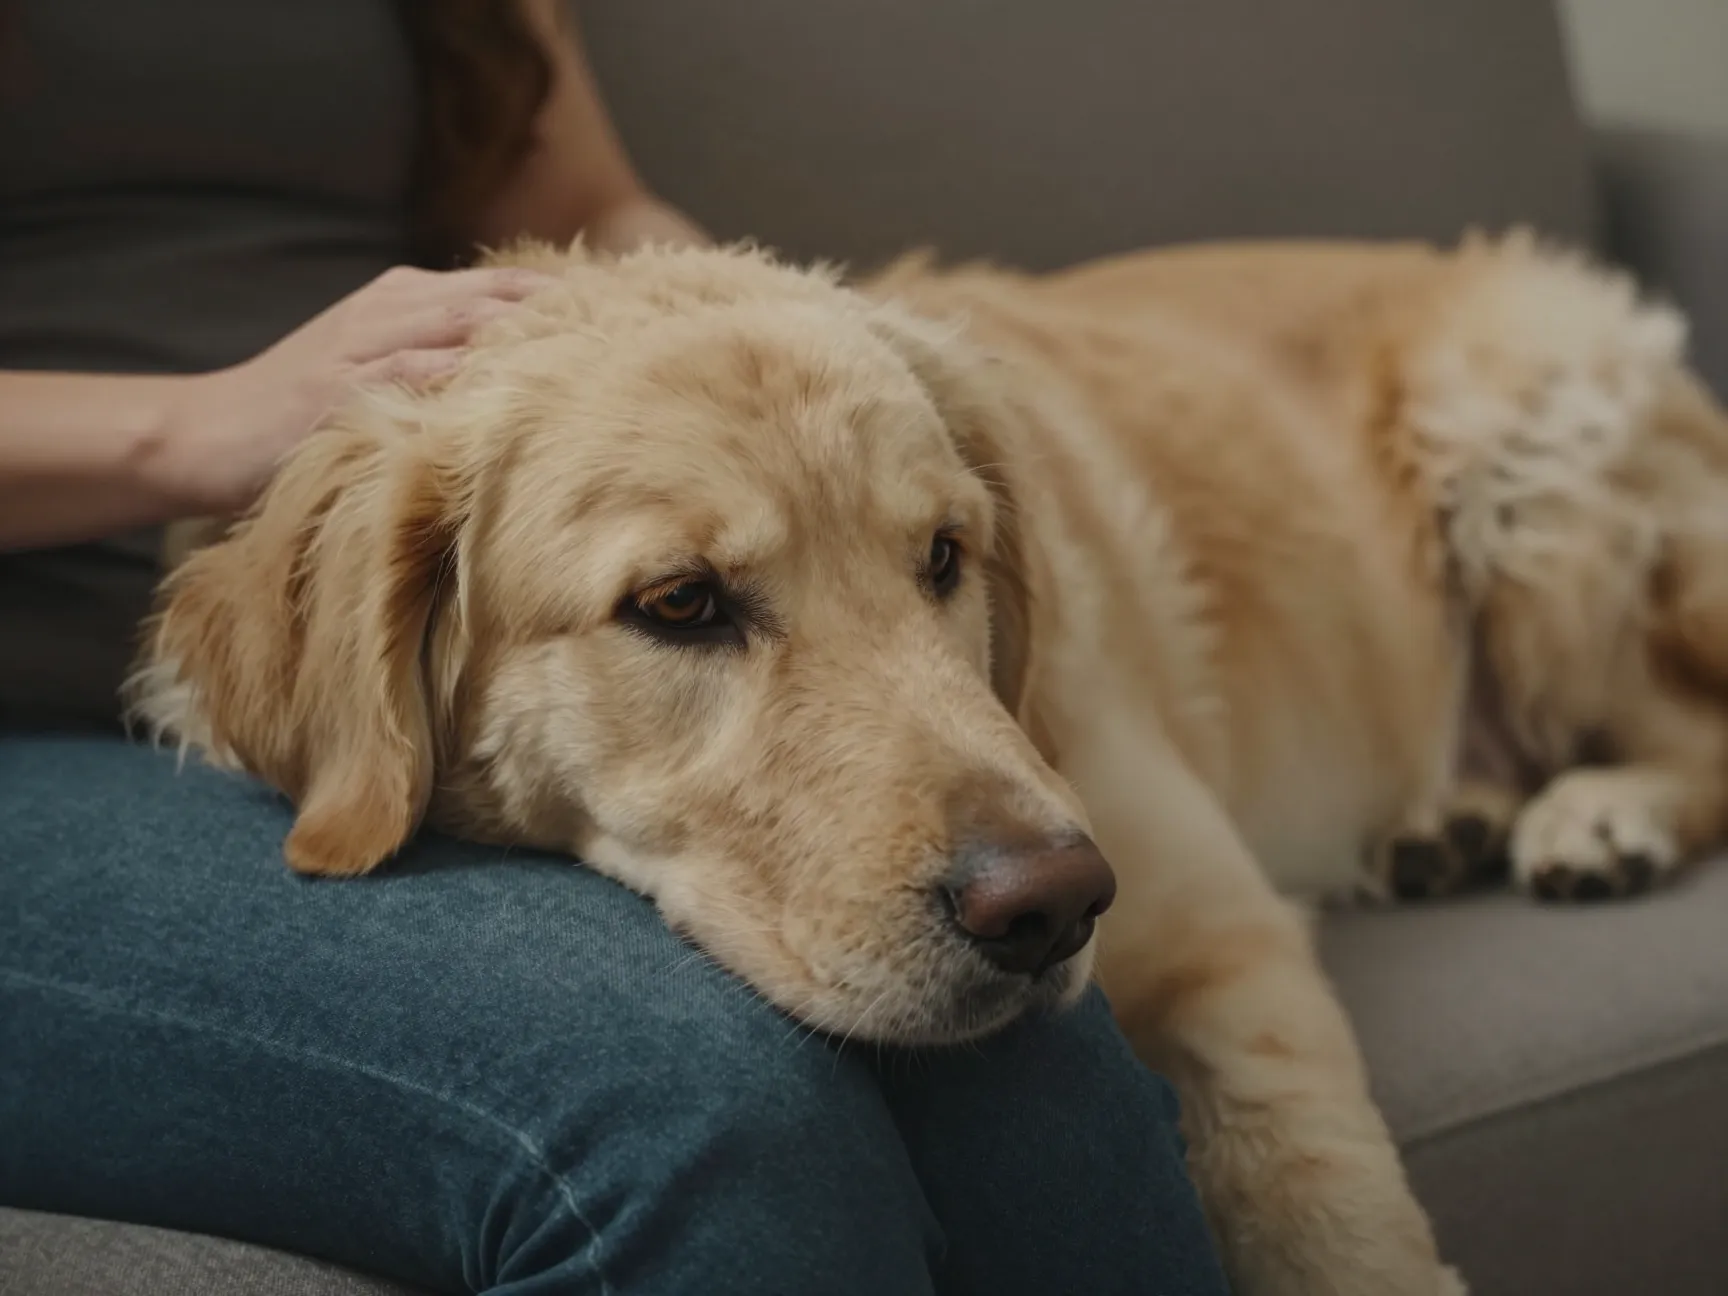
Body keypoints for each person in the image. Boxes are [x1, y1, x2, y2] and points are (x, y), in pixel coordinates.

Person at [0, 4, 1232, 1293]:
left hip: (416, 534)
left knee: (1047, 1082)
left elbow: (588, 199)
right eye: (687, 605)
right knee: (696, 1107)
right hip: (55, 711)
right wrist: (187, 434)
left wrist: (779, 351)